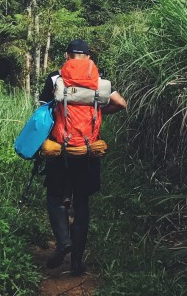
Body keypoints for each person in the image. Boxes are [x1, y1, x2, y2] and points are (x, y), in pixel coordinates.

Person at [39, 38, 127, 275]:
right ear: (88, 57)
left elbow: (42, 112)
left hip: (60, 150)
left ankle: (63, 241)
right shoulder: (98, 80)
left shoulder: (55, 78)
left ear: (66, 56)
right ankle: (77, 262)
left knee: (55, 197)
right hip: (89, 151)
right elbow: (121, 103)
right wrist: (100, 111)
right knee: (81, 202)